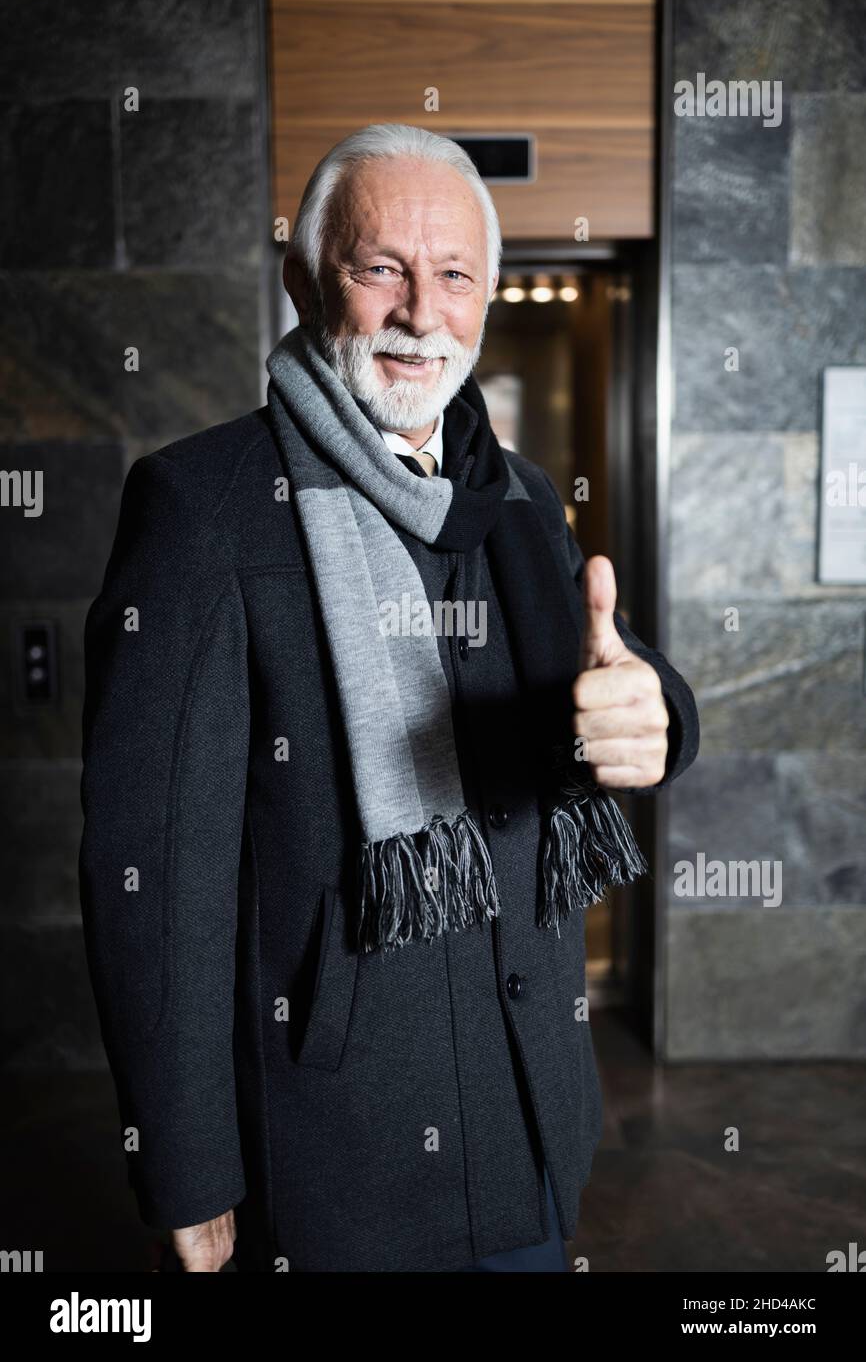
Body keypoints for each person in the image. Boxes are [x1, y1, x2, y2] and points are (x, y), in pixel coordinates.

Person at [79, 123, 699, 1273]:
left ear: (487, 293)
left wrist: (656, 710)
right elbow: (152, 877)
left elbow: (614, 674)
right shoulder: (201, 508)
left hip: (536, 1119)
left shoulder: (512, 494)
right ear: (308, 280)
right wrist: (186, 1161)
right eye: (381, 269)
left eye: (455, 273)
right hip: (336, 1154)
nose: (423, 311)